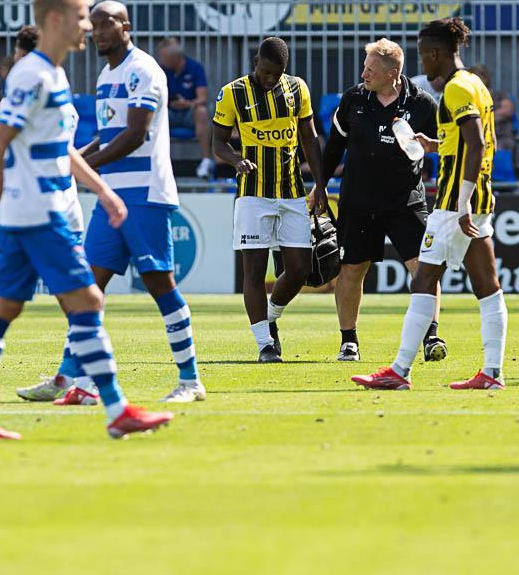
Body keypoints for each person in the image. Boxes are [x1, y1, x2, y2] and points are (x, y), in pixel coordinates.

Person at [0, 0, 172, 440]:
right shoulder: (32, 74)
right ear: (56, 20)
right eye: (81, 16)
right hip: (41, 213)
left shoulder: (53, 74)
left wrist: (101, 190)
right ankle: (116, 410)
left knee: (2, 307)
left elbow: (63, 150)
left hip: (25, 213)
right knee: (88, 300)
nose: (88, 26)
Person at [350, 18, 509, 392]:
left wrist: (464, 201)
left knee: (423, 278)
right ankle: (492, 372)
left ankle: (400, 370)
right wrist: (433, 145)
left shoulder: (455, 89)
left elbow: (477, 144)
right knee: (487, 286)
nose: (422, 63)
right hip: (478, 197)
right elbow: (473, 140)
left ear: (437, 53)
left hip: (457, 203)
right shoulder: (476, 85)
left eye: (423, 54)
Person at [0, 25, 90, 406]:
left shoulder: (34, 82)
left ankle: (83, 382)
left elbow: (1, 148)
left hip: (49, 211)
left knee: (75, 300)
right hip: (26, 211)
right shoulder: (45, 84)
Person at [67, 1, 204, 403]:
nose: (98, 31)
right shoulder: (107, 73)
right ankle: (78, 381)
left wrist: (83, 166)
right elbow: (109, 135)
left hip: (144, 192)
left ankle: (191, 381)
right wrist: (74, 159)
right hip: (113, 193)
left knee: (160, 284)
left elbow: (134, 136)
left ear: (126, 25)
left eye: (107, 23)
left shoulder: (143, 69)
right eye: (93, 25)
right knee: (87, 287)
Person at [312, 39, 441, 362]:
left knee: (423, 269)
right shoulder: (354, 99)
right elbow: (334, 148)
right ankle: (349, 341)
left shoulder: (423, 105)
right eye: (364, 67)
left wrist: (433, 147)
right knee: (352, 270)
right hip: (358, 200)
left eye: (370, 69)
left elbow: (447, 145)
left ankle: (431, 336)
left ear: (393, 72)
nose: (363, 74)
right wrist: (319, 186)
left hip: (405, 201)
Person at [212, 37, 327, 362]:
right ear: (256, 62)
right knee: (254, 271)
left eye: (275, 74)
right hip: (253, 194)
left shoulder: (297, 89)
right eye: (265, 72)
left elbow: (309, 137)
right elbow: (217, 143)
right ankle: (264, 344)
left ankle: (271, 316)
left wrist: (319, 185)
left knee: (300, 268)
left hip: (291, 191)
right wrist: (236, 161)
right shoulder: (233, 92)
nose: (269, 79)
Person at [157, 37, 215, 178]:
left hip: (189, 113)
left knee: (202, 112)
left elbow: (202, 98)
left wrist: (187, 104)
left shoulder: (195, 67)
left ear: (175, 59)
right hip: (169, 113)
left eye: (164, 57)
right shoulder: (161, 70)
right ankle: (156, 163)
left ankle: (206, 161)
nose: (161, 60)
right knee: (152, 114)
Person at [468, 64, 516, 153]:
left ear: (485, 78)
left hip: (501, 137)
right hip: (477, 138)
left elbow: (508, 111)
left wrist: (483, 116)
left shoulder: (499, 95)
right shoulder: (469, 99)